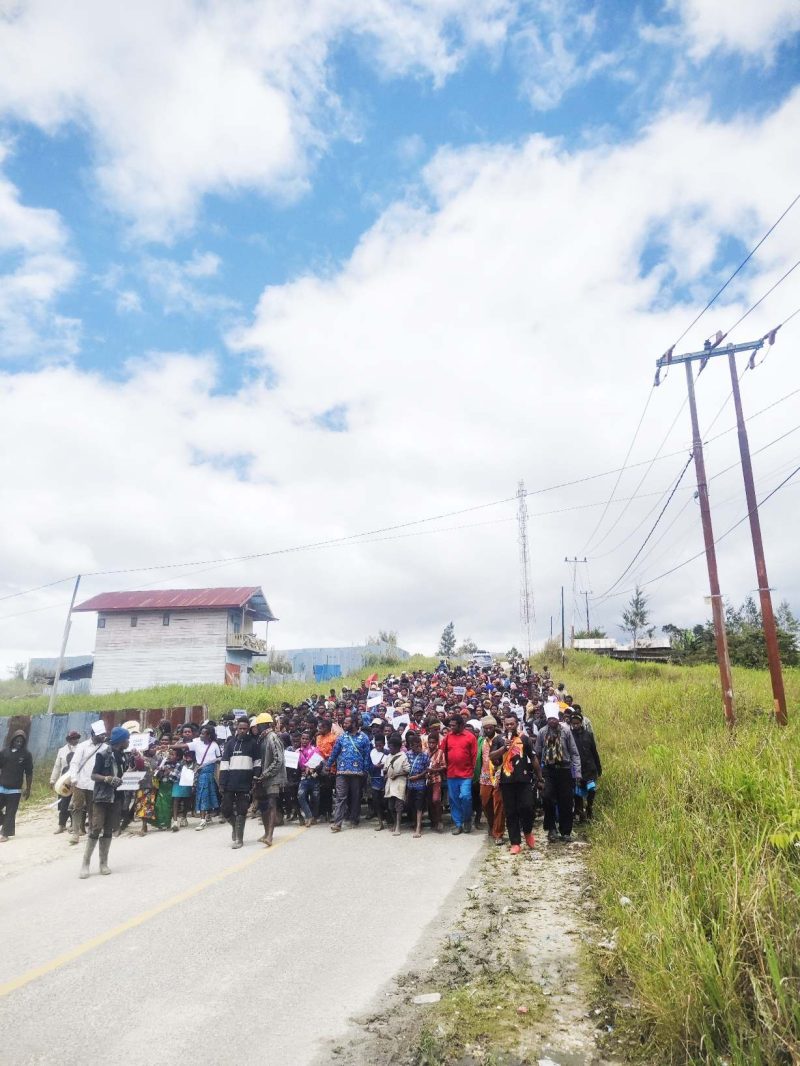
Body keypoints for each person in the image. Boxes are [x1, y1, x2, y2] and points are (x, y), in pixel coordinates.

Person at [80, 726, 129, 878]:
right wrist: (107, 778)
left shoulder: (124, 756)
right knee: (95, 827)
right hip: (102, 796)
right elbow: (94, 775)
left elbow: (125, 773)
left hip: (117, 797)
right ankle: (85, 863)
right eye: (127, 739)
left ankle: (103, 863)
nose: (129, 742)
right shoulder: (103, 754)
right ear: (121, 741)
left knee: (108, 829)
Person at [492, 714, 543, 855]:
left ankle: (527, 832)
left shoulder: (524, 738)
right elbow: (491, 757)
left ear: (516, 724)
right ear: (503, 725)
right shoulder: (498, 739)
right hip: (506, 782)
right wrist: (503, 748)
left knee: (527, 807)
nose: (509, 727)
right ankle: (515, 842)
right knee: (511, 812)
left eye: (512, 724)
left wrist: (540, 778)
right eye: (507, 724)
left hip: (524, 779)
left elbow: (533, 758)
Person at [535, 706, 581, 843]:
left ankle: (565, 831)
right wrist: (537, 775)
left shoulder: (566, 732)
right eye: (550, 719)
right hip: (548, 770)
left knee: (566, 801)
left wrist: (577, 772)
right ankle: (551, 829)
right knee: (548, 798)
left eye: (554, 719)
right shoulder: (542, 733)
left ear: (558, 719)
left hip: (565, 769)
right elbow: (536, 753)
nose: (552, 721)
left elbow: (574, 753)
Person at [219, 717, 261, 849]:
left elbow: (257, 763)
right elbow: (224, 764)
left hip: (245, 783)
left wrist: (255, 778)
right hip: (230, 782)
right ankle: (234, 827)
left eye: (245, 729)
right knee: (225, 809)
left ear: (248, 729)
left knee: (242, 811)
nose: (242, 731)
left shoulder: (253, 743)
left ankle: (239, 839)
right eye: (240, 728)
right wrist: (222, 783)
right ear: (236, 728)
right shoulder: (230, 743)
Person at [326, 714, 371, 832]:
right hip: (341, 771)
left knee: (356, 797)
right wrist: (328, 765)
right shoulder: (341, 737)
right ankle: (337, 823)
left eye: (347, 723)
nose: (344, 725)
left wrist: (366, 770)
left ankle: (354, 818)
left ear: (354, 724)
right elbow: (335, 752)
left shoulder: (364, 738)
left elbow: (367, 756)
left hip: (357, 773)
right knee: (340, 797)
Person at [68, 720, 106, 844]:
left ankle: (92, 831)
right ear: (93, 734)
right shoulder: (82, 746)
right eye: (100, 735)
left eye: (103, 734)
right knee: (76, 807)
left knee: (93, 808)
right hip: (80, 782)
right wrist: (74, 778)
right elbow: (74, 763)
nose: (102, 737)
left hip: (95, 784)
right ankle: (75, 832)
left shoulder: (105, 748)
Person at [441, 713, 477, 835]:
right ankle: (458, 824)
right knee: (454, 800)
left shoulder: (470, 737)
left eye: (453, 725)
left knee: (466, 797)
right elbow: (442, 753)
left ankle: (467, 820)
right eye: (450, 726)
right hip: (451, 774)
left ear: (461, 725)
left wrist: (473, 772)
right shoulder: (448, 737)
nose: (451, 728)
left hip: (466, 774)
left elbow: (474, 756)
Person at [256, 714, 286, 847]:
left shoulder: (272, 737)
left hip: (273, 777)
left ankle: (270, 836)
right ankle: (266, 833)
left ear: (266, 724)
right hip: (264, 777)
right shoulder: (262, 738)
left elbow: (278, 760)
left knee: (272, 804)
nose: (257, 727)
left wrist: (266, 773)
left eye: (259, 725)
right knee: (263, 805)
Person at [476, 717, 505, 845]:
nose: (488, 730)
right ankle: (492, 825)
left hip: (499, 776)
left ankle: (498, 833)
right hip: (485, 776)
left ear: (494, 727)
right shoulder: (481, 741)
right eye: (485, 728)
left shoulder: (502, 740)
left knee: (499, 805)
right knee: (485, 802)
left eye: (490, 728)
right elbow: (479, 759)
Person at [0, 730, 33, 842]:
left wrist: (28, 789)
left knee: (11, 812)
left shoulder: (26, 755)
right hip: (2, 787)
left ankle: (5, 834)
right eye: (17, 741)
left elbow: (29, 773)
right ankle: (4, 822)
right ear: (12, 740)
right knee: (5, 814)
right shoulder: (4, 752)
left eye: (21, 741)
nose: (19, 743)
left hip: (15, 790)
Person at [570, 711, 601, 822]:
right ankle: (580, 812)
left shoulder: (588, 735)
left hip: (589, 767)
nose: (575, 725)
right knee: (577, 793)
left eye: (577, 723)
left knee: (591, 789)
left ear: (581, 723)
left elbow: (594, 751)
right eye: (573, 724)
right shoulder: (569, 735)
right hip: (575, 768)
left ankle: (589, 807)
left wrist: (598, 766)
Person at [50, 729, 81, 834]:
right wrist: (53, 780)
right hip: (64, 782)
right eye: (72, 738)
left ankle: (73, 825)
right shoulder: (62, 750)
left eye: (76, 738)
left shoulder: (81, 749)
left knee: (74, 804)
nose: (75, 740)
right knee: (63, 804)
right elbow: (57, 766)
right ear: (68, 739)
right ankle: (61, 825)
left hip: (76, 781)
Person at [193, 724, 221, 830]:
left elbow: (219, 758)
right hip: (202, 775)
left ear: (209, 735)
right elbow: (184, 746)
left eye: (203, 733)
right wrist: (169, 747)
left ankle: (205, 818)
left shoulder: (214, 745)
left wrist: (212, 763)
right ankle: (203, 819)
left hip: (211, 774)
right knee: (202, 795)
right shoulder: (197, 743)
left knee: (208, 795)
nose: (200, 735)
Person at [383, 733, 409, 836]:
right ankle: (395, 822)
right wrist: (386, 772)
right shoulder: (389, 756)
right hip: (390, 783)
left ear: (397, 747)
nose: (390, 749)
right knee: (390, 806)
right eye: (389, 747)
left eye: (391, 747)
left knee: (398, 806)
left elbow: (407, 770)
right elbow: (385, 768)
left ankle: (398, 826)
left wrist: (397, 774)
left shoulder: (403, 756)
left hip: (399, 783)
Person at [405, 731, 430, 838]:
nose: (415, 747)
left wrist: (418, 776)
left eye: (417, 745)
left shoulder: (424, 755)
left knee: (419, 807)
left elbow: (427, 769)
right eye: (413, 745)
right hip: (410, 785)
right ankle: (416, 824)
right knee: (411, 806)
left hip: (420, 785)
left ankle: (418, 828)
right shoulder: (407, 754)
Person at [297, 730, 321, 825]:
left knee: (315, 798)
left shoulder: (316, 750)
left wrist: (313, 768)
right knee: (301, 795)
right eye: (303, 738)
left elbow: (320, 763)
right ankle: (308, 815)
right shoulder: (297, 752)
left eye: (307, 739)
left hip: (314, 777)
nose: (304, 740)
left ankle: (314, 816)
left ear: (311, 740)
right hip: (303, 778)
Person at [171, 746, 196, 830]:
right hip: (178, 783)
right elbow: (174, 775)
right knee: (176, 800)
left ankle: (184, 818)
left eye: (190, 755)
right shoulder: (180, 764)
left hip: (187, 784)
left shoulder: (195, 765)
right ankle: (175, 821)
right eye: (187, 755)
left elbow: (195, 776)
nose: (188, 757)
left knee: (186, 800)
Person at [426, 732, 446, 833]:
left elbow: (444, 766)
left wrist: (435, 770)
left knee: (436, 799)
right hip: (426, 780)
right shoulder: (425, 752)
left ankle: (439, 820)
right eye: (429, 742)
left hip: (436, 778)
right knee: (429, 801)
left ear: (437, 743)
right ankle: (433, 820)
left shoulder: (440, 752)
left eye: (433, 743)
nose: (431, 745)